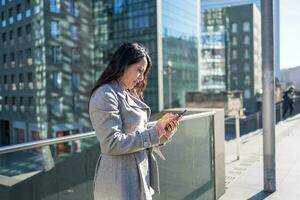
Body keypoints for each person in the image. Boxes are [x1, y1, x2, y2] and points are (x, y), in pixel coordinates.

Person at [88, 43, 180, 200]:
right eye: (139, 70)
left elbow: (137, 134)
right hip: (119, 178)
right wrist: (155, 132)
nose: (141, 78)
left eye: (143, 73)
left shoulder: (126, 92)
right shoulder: (105, 94)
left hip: (137, 174)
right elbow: (111, 143)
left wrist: (163, 133)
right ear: (124, 64)